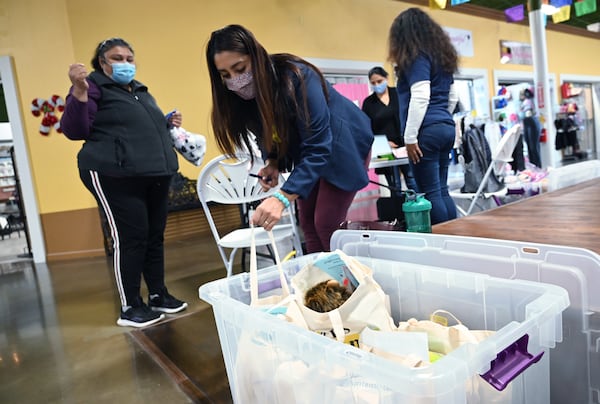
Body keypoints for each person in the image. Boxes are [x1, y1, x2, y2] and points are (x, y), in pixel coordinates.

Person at [205, 25, 374, 253]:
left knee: (327, 224)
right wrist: (272, 161)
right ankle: (322, 285)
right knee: (308, 225)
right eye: (225, 75)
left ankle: (354, 284)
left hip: (342, 144)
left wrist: (282, 198)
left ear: (256, 57)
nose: (236, 80)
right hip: (311, 152)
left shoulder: (298, 76)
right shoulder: (246, 99)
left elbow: (319, 145)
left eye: (240, 68)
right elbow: (268, 131)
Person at [60, 37, 188, 328]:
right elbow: (74, 129)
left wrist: (165, 121)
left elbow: (134, 126)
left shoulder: (140, 91)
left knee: (154, 236)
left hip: (153, 173)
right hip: (114, 174)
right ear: (101, 63)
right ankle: (131, 305)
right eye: (117, 58)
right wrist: (79, 91)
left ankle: (158, 294)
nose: (126, 64)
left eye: (130, 58)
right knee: (131, 238)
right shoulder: (91, 87)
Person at [388, 8, 459, 225]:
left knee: (429, 193)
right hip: (446, 127)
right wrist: (442, 117)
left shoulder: (416, 56)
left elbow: (420, 95)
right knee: (441, 190)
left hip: (425, 131)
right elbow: (454, 95)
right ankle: (454, 237)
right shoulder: (442, 57)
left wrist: (410, 138)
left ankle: (440, 244)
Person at [361, 66, 417, 193]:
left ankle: (419, 207)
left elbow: (409, 115)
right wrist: (383, 142)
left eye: (379, 81)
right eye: (373, 83)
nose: (377, 85)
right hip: (384, 147)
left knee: (411, 178)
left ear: (386, 78)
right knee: (394, 184)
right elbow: (366, 127)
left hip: (404, 143)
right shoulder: (369, 103)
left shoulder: (398, 94)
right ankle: (398, 210)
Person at [519, 88, 542, 168]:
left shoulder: (528, 102)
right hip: (528, 123)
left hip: (531, 122)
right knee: (531, 147)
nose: (520, 96)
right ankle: (535, 165)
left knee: (533, 147)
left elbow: (528, 113)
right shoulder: (526, 102)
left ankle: (537, 166)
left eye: (521, 94)